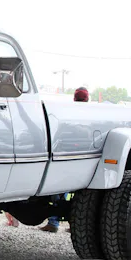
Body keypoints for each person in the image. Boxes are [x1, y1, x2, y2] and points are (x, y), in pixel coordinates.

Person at [39, 87, 89, 232]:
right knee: (79, 194)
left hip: (67, 157)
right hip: (83, 159)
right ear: (87, 99)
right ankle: (74, 225)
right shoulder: (90, 115)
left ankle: (53, 223)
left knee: (58, 190)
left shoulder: (68, 112)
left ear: (74, 98)